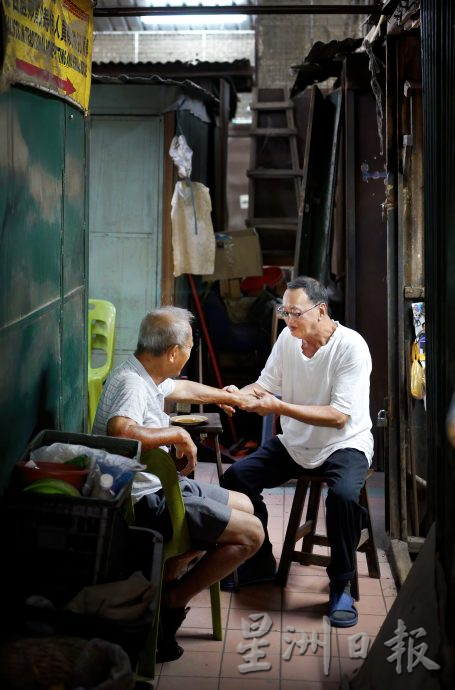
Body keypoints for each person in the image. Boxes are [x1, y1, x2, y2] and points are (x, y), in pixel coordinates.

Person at [92, 306, 264, 660]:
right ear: (173, 352)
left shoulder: (146, 372)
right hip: (145, 501)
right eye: (188, 346)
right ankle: (172, 600)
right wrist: (175, 433)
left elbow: (183, 386)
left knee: (245, 505)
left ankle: (170, 571)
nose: (189, 353)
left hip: (163, 487)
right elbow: (120, 429)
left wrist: (229, 396)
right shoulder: (131, 384)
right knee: (252, 534)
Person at [220, 276, 374, 628]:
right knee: (236, 478)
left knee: (344, 497)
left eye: (295, 312)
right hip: (297, 442)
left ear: (320, 311)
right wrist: (235, 396)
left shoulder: (351, 347)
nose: (288, 320)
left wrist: (280, 407)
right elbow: (264, 386)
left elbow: (339, 417)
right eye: (284, 311)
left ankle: (341, 584)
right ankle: (259, 561)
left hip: (344, 443)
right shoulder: (288, 341)